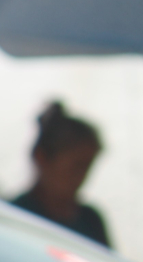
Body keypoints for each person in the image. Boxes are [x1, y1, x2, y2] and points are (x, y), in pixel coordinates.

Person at [12, 102, 112, 248]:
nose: (82, 176)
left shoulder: (90, 220)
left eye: (88, 166)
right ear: (42, 158)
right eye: (76, 166)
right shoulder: (16, 218)